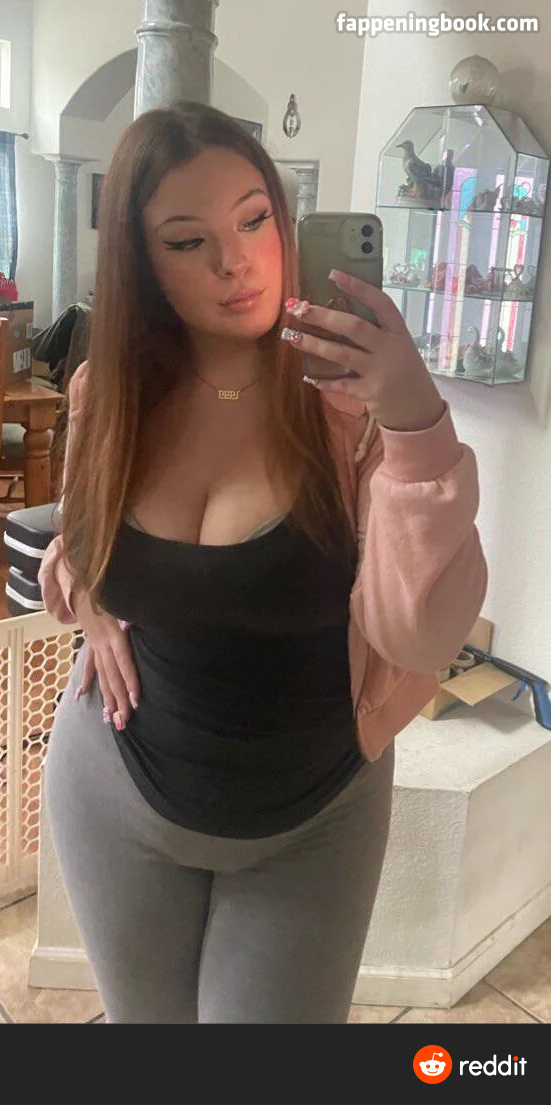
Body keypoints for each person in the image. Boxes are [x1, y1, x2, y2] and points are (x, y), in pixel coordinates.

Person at [38, 101, 487, 1024]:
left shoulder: (349, 411)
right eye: (187, 240)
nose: (234, 261)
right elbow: (79, 543)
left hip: (309, 821)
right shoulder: (106, 391)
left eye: (253, 220)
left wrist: (414, 422)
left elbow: (421, 635)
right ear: (140, 262)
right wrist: (91, 606)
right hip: (116, 791)